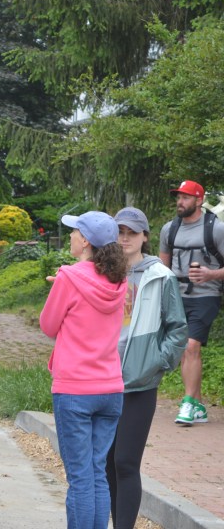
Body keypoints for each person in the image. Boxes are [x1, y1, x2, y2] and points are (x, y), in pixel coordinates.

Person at [41, 211, 128, 529]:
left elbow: (48, 325)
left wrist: (60, 288)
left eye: (75, 231)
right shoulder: (119, 280)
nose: (71, 236)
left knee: (79, 478)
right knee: (96, 473)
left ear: (87, 241)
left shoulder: (69, 277)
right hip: (110, 388)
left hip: (75, 389)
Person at [109, 207, 187, 529]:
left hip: (139, 383)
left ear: (145, 236)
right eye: (120, 232)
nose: (125, 238)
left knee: (126, 462)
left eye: (132, 232)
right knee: (106, 463)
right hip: (102, 379)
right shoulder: (104, 271)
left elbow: (178, 329)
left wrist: (156, 363)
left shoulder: (160, 276)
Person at [157, 180, 224, 426]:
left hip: (206, 295)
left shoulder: (216, 229)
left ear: (199, 200)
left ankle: (187, 403)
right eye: (178, 197)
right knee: (185, 351)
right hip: (177, 296)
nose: (180, 202)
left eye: (185, 197)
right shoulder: (169, 229)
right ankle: (199, 406)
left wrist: (210, 274)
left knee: (190, 346)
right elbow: (162, 267)